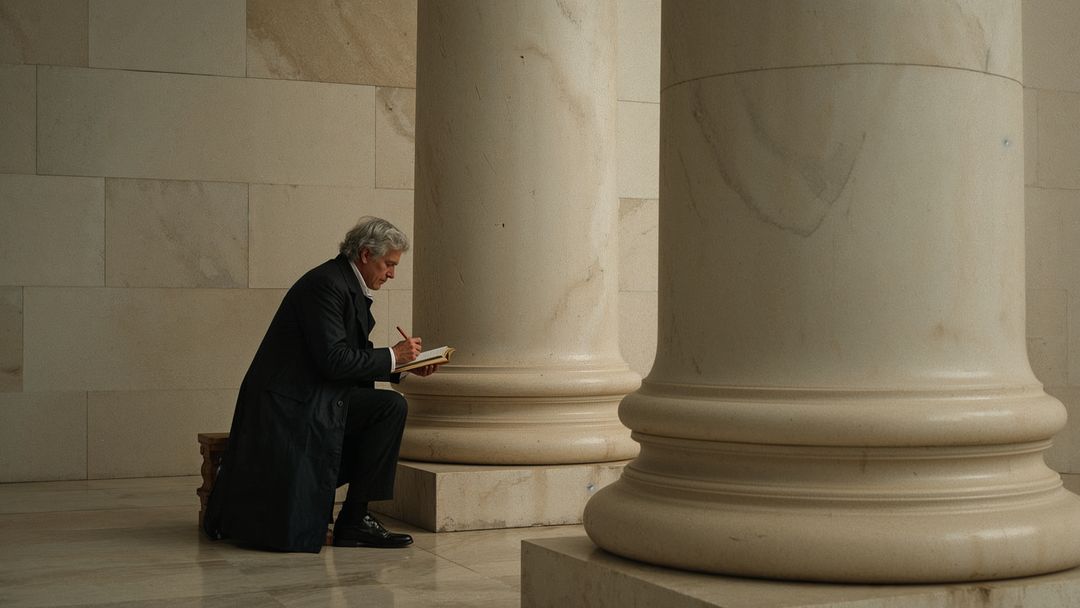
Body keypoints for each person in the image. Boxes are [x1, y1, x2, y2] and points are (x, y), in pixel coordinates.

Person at [203, 216, 437, 552]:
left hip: (310, 395)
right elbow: (335, 360)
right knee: (389, 407)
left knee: (388, 408)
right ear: (366, 255)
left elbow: (348, 356)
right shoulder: (327, 284)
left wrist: (406, 366)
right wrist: (393, 356)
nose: (392, 274)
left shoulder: (343, 281)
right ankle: (355, 521)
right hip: (288, 404)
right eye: (389, 264)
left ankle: (355, 519)